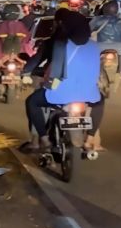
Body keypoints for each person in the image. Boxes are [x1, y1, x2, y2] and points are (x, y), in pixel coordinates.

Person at [20, 9, 102, 152]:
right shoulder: (94, 46)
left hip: (61, 93)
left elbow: (53, 71)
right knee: (100, 102)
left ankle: (44, 140)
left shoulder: (59, 43)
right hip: (88, 94)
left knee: (32, 102)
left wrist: (44, 82)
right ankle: (89, 140)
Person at [0, 3, 34, 86]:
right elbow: (27, 40)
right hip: (19, 54)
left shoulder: (0, 26)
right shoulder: (21, 25)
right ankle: (26, 75)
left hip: (0, 54)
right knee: (30, 58)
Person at [89, 0, 121, 73]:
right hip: (118, 46)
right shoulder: (120, 20)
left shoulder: (98, 19)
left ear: (104, 9)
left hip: (100, 46)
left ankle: (93, 71)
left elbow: (89, 29)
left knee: (92, 54)